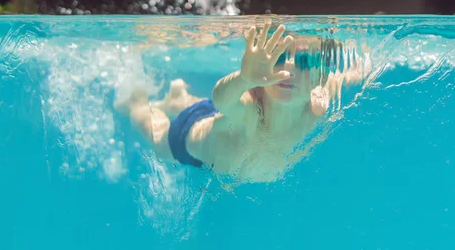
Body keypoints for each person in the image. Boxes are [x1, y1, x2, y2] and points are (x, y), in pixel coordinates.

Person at [115, 19, 371, 183]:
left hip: (221, 125)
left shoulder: (317, 88)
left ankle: (179, 97)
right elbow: (223, 100)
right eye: (279, 57)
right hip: (188, 139)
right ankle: (136, 102)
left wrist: (360, 69)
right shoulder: (250, 109)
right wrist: (245, 78)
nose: (291, 67)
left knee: (209, 111)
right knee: (158, 138)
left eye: (304, 62)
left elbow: (344, 77)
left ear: (319, 73)